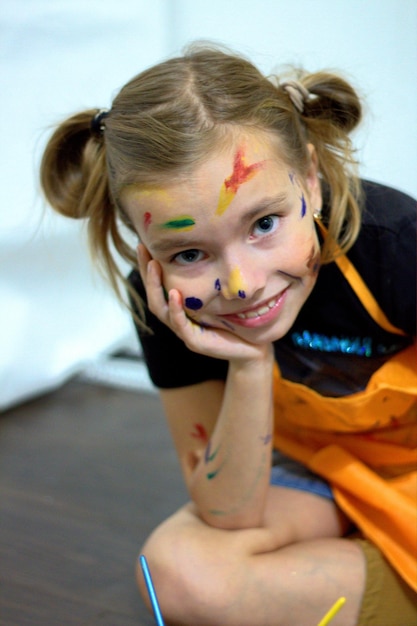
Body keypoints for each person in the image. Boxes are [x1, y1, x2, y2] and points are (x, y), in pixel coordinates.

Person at [40, 45, 416, 626]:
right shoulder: (160, 299)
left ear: (311, 182)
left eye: (263, 224)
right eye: (190, 252)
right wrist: (247, 366)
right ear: (151, 255)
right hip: (322, 472)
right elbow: (227, 515)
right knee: (174, 570)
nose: (241, 286)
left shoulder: (397, 243)